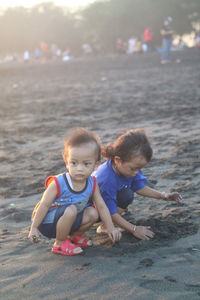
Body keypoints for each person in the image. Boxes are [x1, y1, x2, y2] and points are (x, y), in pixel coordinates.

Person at [28, 128, 121, 256]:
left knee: (93, 212)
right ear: (66, 160)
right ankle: (59, 244)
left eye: (86, 164)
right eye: (74, 163)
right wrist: (34, 228)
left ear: (96, 164)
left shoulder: (92, 183)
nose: (79, 169)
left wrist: (110, 226)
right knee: (71, 209)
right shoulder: (59, 183)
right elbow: (44, 205)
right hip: (48, 222)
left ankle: (73, 237)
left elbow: (101, 206)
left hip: (69, 219)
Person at [93, 129, 182, 241]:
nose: (136, 172)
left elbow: (139, 187)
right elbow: (109, 212)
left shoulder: (127, 168)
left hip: (106, 203)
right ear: (118, 160)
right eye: (134, 168)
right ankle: (104, 227)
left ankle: (113, 220)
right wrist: (134, 229)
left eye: (139, 168)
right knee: (125, 195)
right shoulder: (106, 179)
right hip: (91, 209)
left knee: (127, 193)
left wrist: (164, 196)